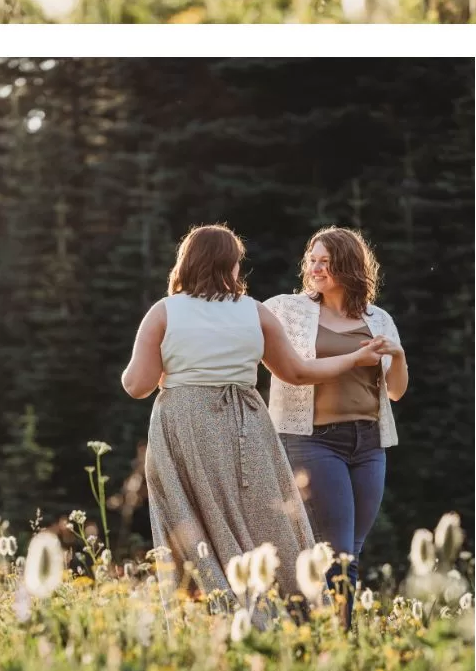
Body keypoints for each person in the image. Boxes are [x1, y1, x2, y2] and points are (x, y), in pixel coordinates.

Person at [121, 222, 387, 602]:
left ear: (186, 263)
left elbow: (137, 385)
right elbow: (298, 373)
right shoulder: (256, 313)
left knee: (188, 522)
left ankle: (205, 613)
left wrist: (169, 364)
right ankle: (288, 609)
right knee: (261, 522)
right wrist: (356, 358)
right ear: (229, 265)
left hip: (183, 424)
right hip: (246, 424)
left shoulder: (164, 312)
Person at [263, 226, 406, 619]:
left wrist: (400, 357)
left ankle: (323, 631)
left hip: (369, 443)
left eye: (326, 261)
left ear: (348, 266)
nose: (316, 267)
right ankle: (337, 641)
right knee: (339, 553)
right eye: (312, 259)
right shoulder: (285, 310)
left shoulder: (378, 319)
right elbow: (287, 365)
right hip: (312, 442)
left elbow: (395, 391)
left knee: (350, 551)